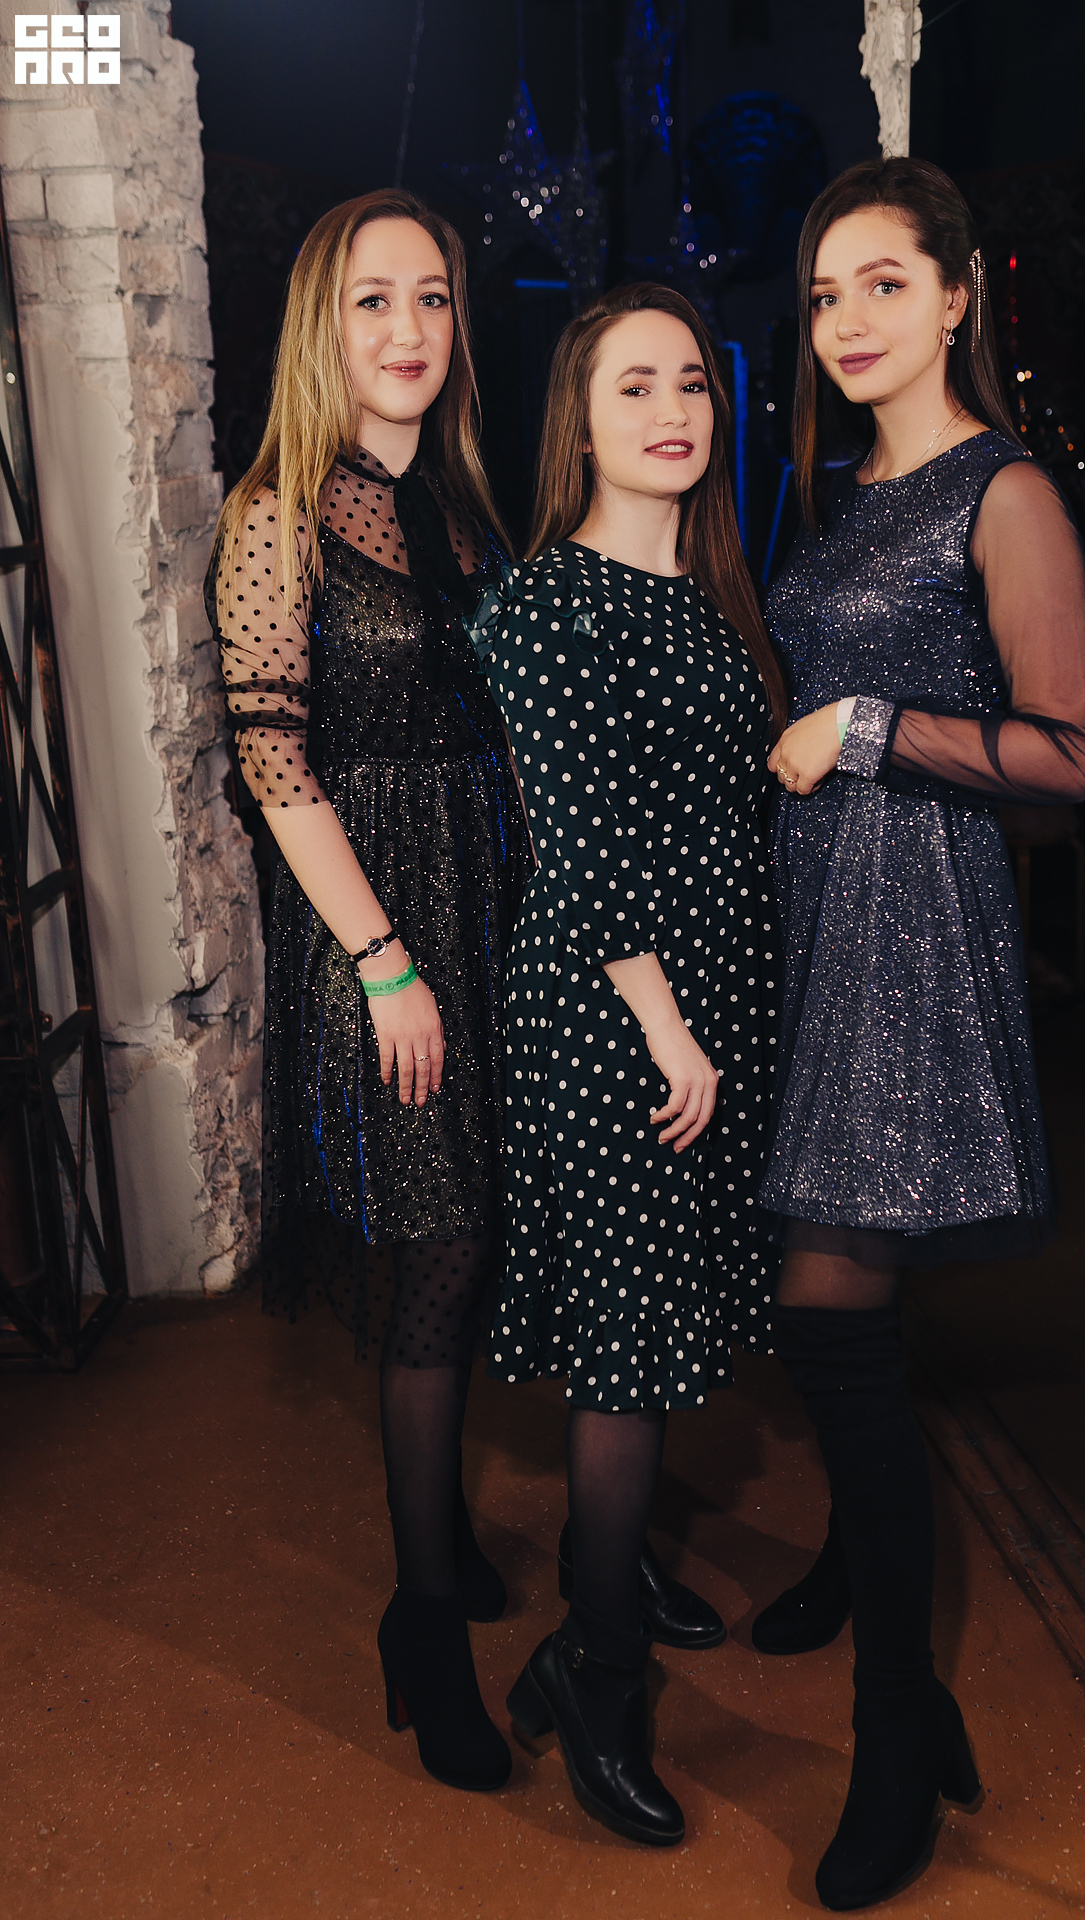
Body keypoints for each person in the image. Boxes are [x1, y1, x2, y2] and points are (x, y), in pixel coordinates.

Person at [758, 157, 1085, 1909]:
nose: (848, 320)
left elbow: (1068, 758)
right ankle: (866, 1589)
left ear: (959, 296)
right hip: (818, 918)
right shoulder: (845, 491)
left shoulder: (1005, 491)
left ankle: (901, 1726)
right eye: (825, 294)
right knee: (835, 1321)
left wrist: (870, 727)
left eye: (883, 283)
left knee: (831, 1321)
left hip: (910, 934)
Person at [210, 190, 531, 1794]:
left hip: (480, 907)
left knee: (470, 1242)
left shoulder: (463, 505)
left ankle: (444, 1538)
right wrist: (387, 960)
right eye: (371, 302)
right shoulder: (276, 509)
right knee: (442, 1247)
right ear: (320, 330)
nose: (408, 330)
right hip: (375, 930)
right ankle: (425, 1624)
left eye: (433, 298)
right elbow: (274, 764)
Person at [466, 283, 786, 1846]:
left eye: (691, 384)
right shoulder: (543, 603)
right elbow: (583, 846)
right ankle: (592, 1673)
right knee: (631, 1345)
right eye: (633, 387)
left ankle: (612, 1585)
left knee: (663, 1322)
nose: (671, 411)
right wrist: (666, 1026)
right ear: (579, 426)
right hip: (615, 1014)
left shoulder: (712, 590)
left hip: (707, 997)